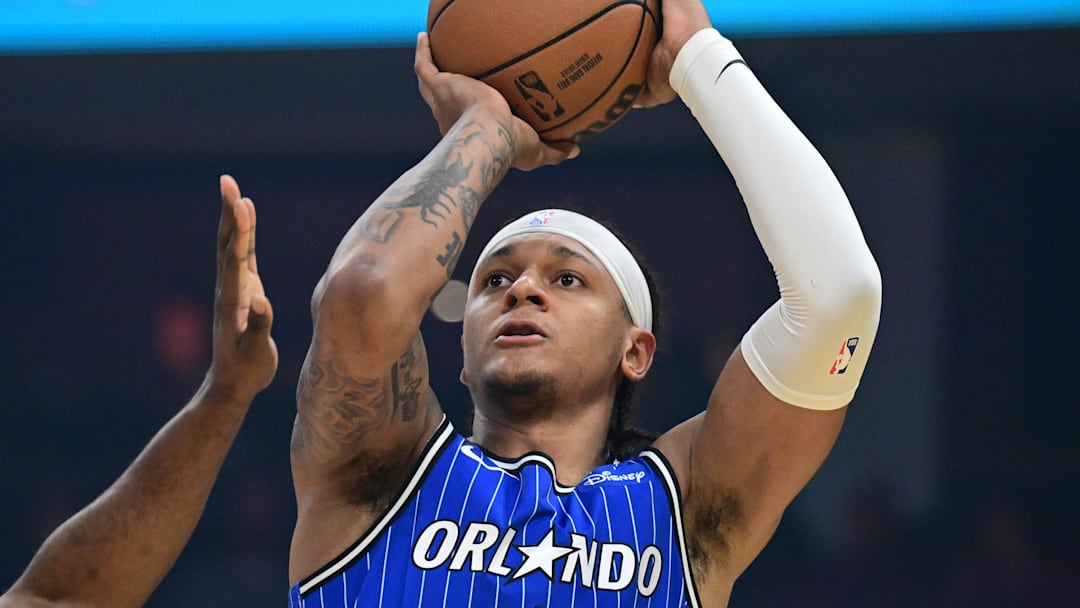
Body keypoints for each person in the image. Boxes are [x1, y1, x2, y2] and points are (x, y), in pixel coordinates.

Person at [287, 0, 882, 605]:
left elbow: (839, 295)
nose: (522, 289)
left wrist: (698, 58)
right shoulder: (383, 473)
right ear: (463, 351)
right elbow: (362, 293)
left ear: (636, 351)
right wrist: (486, 127)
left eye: (568, 279)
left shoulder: (688, 511)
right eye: (494, 281)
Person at [0, 176, 278, 608]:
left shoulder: (259, 418)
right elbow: (63, 593)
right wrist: (227, 391)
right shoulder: (120, 414)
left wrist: (230, 389)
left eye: (188, 326)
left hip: (223, 565)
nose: (179, 338)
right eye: (172, 326)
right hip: (153, 577)